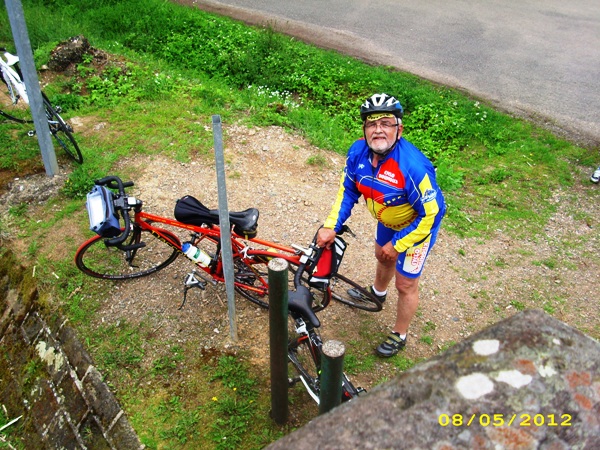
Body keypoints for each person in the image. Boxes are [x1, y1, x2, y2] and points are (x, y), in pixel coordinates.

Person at [317, 93, 446, 357]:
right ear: (364, 129)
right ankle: (376, 293)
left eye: (386, 123)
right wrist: (332, 225)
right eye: (371, 124)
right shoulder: (357, 152)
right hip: (388, 219)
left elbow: (432, 214)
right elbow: (348, 191)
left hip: (416, 227)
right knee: (381, 255)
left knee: (406, 284)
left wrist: (399, 244)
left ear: (399, 129)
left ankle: (400, 334)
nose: (378, 130)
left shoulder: (413, 167)